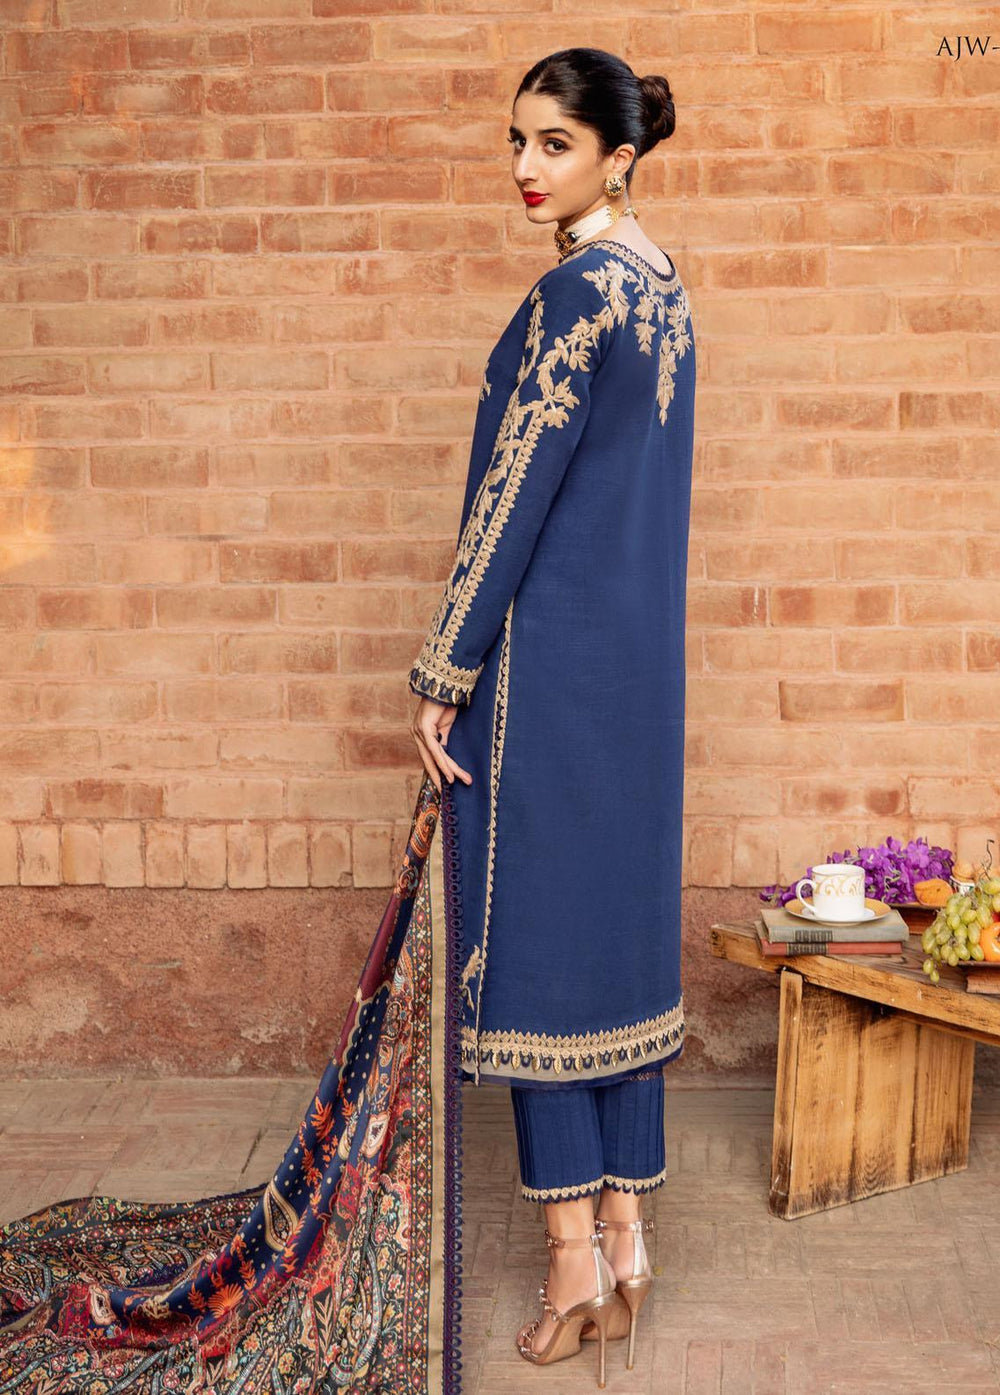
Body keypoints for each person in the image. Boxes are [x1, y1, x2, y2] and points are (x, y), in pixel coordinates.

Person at [409, 46, 695, 1390]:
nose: (525, 168)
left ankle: (574, 1262)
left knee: (537, 952)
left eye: (554, 144)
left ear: (617, 156)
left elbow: (512, 495)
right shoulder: (664, 288)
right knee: (611, 942)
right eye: (516, 141)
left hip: (549, 676)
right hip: (636, 676)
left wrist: (444, 665)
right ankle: (629, 1239)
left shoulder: (573, 299)